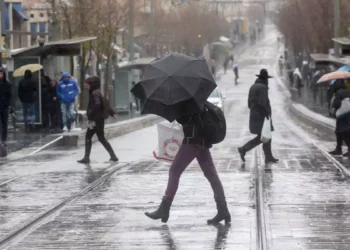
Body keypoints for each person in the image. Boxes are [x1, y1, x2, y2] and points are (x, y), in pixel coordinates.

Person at [144, 113, 231, 225]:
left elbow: (185, 118)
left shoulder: (188, 102)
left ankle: (164, 209)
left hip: (193, 140)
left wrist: (176, 113)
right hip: (203, 141)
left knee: (174, 171)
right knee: (212, 175)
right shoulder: (198, 100)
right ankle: (223, 210)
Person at [238, 69, 279, 164]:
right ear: (265, 79)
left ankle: (268, 156)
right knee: (264, 136)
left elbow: (249, 104)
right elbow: (263, 103)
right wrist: (267, 114)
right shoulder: (263, 88)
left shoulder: (253, 87)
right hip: (262, 117)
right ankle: (243, 149)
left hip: (254, 116)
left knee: (265, 136)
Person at [77, 76, 118, 164]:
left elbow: (97, 104)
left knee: (90, 136)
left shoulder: (94, 93)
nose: (85, 85)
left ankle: (87, 158)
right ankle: (113, 156)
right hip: (98, 119)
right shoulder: (96, 91)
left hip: (96, 119)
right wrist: (111, 112)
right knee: (100, 138)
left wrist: (90, 114)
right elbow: (104, 103)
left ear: (92, 83)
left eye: (87, 83)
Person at [329, 79, 350, 157]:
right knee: (341, 131)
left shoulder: (339, 92)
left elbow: (336, 104)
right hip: (348, 114)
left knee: (341, 131)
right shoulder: (348, 91)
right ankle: (338, 148)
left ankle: (340, 149)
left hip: (342, 115)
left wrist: (333, 105)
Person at [0, 67, 12, 152]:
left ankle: (4, 139)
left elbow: (10, 96)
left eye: (1, 74)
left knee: (4, 123)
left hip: (4, 106)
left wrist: (9, 105)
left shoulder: (7, 84)